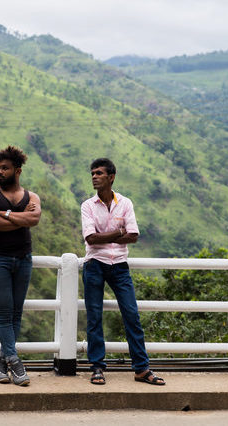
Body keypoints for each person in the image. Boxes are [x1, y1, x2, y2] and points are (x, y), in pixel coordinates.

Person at [80, 158, 165, 386]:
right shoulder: (87, 206)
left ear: (111, 177)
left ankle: (141, 369)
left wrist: (106, 236)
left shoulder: (125, 203)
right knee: (94, 318)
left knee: (131, 315)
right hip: (94, 264)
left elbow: (134, 236)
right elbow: (91, 239)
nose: (94, 177)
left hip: (119, 266)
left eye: (99, 173)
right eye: (92, 173)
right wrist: (119, 232)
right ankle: (97, 367)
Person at [0, 145, 41, 386]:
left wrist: (4, 214)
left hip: (24, 258)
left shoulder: (32, 197)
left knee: (16, 314)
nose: (0, 172)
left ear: (18, 170)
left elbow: (34, 219)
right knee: (4, 314)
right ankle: (15, 362)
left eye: (5, 168)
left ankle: (0, 366)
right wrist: (18, 217)